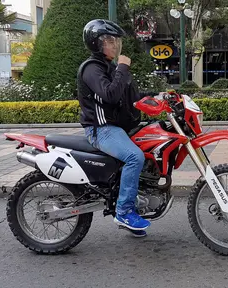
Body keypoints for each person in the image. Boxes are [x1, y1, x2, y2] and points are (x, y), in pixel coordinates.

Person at [77, 19, 155, 238]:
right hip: (101, 129)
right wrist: (122, 67)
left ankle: (133, 202)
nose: (115, 45)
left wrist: (157, 96)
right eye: (110, 41)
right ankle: (124, 211)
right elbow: (110, 94)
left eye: (115, 41)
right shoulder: (92, 68)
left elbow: (126, 95)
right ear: (97, 43)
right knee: (134, 157)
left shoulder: (108, 68)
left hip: (114, 127)